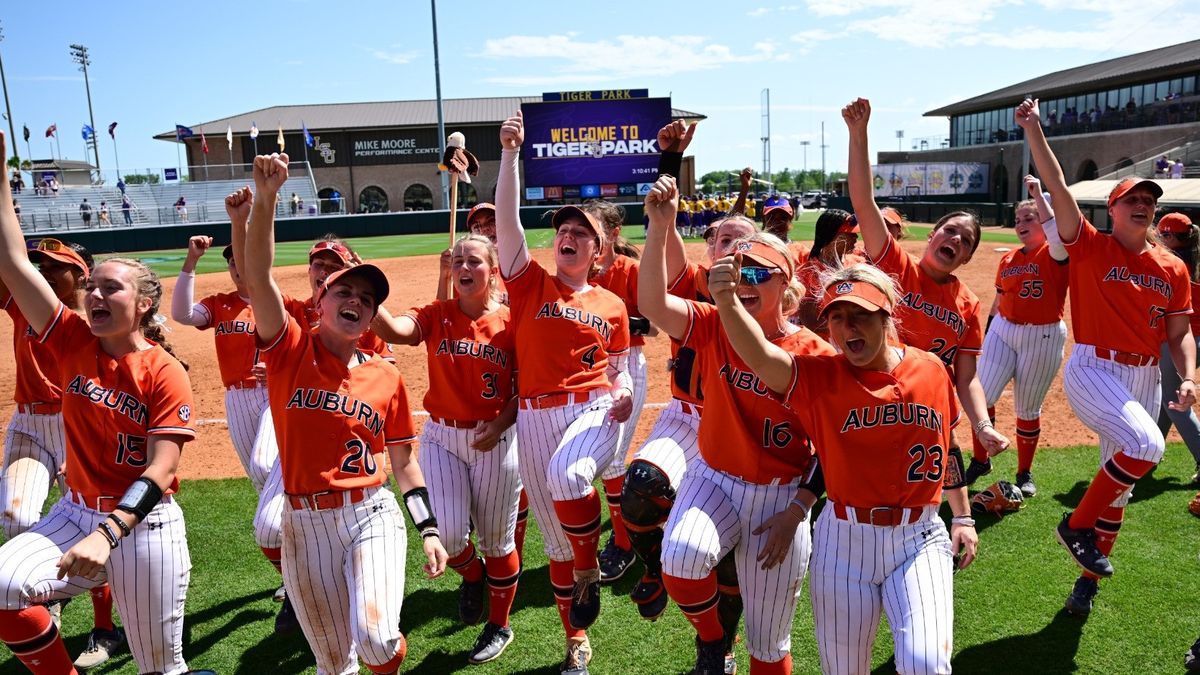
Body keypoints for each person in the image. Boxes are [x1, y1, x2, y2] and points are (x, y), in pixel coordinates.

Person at [234, 154, 448, 674]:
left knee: (376, 639)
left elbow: (403, 462)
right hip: (303, 525)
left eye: (367, 299)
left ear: (372, 317)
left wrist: (430, 528)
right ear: (320, 302)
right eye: (344, 292)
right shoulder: (287, 349)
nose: (356, 301)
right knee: (333, 663)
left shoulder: (385, 375)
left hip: (370, 513)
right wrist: (265, 202)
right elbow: (258, 278)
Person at [715, 261, 977, 675]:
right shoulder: (820, 377)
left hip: (920, 537)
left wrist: (962, 515)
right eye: (837, 318)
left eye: (860, 315)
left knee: (926, 665)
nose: (847, 328)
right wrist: (727, 301)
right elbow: (761, 357)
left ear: (887, 315)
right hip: (844, 542)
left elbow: (950, 446)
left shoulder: (930, 369)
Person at [0, 130, 198, 674]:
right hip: (74, 511)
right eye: (93, 287)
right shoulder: (70, 338)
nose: (96, 295)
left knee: (160, 668)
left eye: (112, 288)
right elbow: (13, 260)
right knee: (1, 587)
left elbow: (163, 467)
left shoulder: (164, 371)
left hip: (144, 524)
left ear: (144, 302)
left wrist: (109, 533)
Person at [641, 171, 834, 674]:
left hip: (782, 496)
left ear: (786, 285)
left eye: (758, 273)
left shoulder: (814, 353)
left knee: (769, 645)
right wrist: (660, 226)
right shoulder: (712, 322)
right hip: (714, 478)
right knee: (680, 559)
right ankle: (713, 641)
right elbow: (652, 305)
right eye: (738, 268)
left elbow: (833, 451)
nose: (743, 279)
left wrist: (798, 511)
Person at [1016, 97, 1195, 617]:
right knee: (1146, 445)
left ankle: (1087, 582)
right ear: (1112, 209)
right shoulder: (1089, 245)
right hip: (1094, 367)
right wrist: (1034, 132)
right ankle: (1073, 526)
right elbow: (1056, 184)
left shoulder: (1172, 269)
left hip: (1144, 378)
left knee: (1117, 496)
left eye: (1148, 199)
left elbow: (1180, 331)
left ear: (1154, 213)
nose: (1141, 203)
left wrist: (1188, 377)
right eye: (1130, 197)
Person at [496, 110, 632, 675]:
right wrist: (509, 155)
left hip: (593, 408)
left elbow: (620, 368)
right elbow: (507, 223)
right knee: (554, 544)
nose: (570, 236)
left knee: (571, 477)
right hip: (534, 417)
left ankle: (588, 566)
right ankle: (576, 637)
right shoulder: (530, 284)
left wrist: (624, 391)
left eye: (584, 233)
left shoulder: (612, 305)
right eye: (565, 230)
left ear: (599, 254)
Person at [371, 234, 522, 665]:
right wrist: (367, 292)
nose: (464, 268)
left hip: (495, 439)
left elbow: (525, 387)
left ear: (492, 271)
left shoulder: (512, 322)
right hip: (442, 438)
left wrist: (501, 422)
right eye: (458, 261)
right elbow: (395, 331)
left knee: (497, 541)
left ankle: (499, 624)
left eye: (474, 261)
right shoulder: (437, 314)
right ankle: (473, 578)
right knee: (451, 536)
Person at [843, 98, 1010, 479]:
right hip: (873, 393)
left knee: (926, 490)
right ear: (932, 236)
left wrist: (982, 425)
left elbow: (966, 377)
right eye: (950, 230)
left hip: (927, 403)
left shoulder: (966, 303)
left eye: (965, 240)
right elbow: (864, 203)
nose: (956, 239)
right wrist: (858, 134)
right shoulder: (895, 264)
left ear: (965, 258)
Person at [0, 236, 128, 670]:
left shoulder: (96, 323)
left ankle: (105, 626)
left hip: (79, 425)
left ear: (80, 276)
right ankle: (45, 597)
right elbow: (7, 259)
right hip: (30, 425)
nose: (45, 272)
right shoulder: (24, 302)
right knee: (16, 517)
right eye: (40, 264)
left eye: (56, 266)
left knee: (91, 521)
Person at [169, 234, 290, 620]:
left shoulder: (277, 302)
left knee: (264, 464)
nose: (238, 268)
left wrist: (276, 371)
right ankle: (291, 562)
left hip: (274, 394)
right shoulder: (220, 304)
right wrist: (190, 263)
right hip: (236, 399)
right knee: (261, 485)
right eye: (232, 263)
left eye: (243, 259)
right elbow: (182, 316)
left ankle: (296, 530)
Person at [974, 175, 1070, 498]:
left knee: (1027, 408)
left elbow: (1056, 232)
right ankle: (980, 459)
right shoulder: (1008, 259)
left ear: (1043, 220)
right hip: (1003, 329)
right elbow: (999, 300)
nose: (1021, 223)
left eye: (1029, 218)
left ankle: (1024, 471)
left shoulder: (1056, 252)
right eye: (1017, 219)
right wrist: (987, 332)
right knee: (982, 395)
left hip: (1042, 336)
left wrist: (1038, 197)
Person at [582, 199, 650, 585]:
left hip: (625, 366)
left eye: (595, 230)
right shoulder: (578, 270)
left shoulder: (629, 270)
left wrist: (616, 315)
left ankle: (625, 546)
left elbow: (654, 323)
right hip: (585, 371)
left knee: (613, 459)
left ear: (613, 234)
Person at [1152, 212, 1200, 510]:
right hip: (1193, 340)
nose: (1160, 238)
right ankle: (1150, 450)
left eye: (1164, 234)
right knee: (1164, 398)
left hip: (1181, 342)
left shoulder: (1173, 265)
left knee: (1175, 401)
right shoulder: (1193, 261)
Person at [793, 208, 864, 335]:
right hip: (826, 343)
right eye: (849, 234)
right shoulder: (808, 273)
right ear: (831, 237)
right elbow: (811, 320)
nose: (856, 237)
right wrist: (853, 327)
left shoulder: (859, 263)